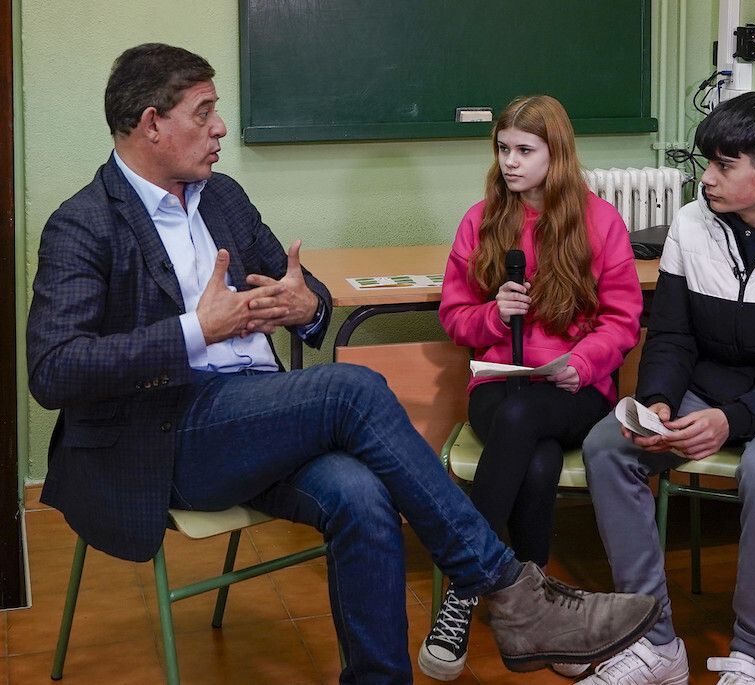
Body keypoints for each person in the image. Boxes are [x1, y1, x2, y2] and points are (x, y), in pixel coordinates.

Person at [26, 43, 661, 685]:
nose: (220, 128)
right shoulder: (83, 225)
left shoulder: (221, 199)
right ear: (152, 123)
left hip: (253, 421)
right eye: (204, 112)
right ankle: (509, 591)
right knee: (351, 392)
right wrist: (197, 329)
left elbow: (309, 300)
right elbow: (53, 370)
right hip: (163, 438)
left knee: (363, 495)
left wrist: (305, 307)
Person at [580, 92, 755, 685]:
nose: (706, 178)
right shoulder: (691, 222)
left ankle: (750, 657)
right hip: (705, 394)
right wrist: (657, 400)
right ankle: (653, 643)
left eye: (722, 165)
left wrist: (732, 420)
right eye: (705, 162)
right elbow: (674, 335)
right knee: (609, 446)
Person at [420, 94, 644, 681]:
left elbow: (622, 320)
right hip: (497, 383)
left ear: (557, 153)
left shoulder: (600, 222)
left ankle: (464, 588)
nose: (510, 162)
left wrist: (584, 359)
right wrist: (494, 315)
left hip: (575, 386)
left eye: (525, 150)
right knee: (535, 458)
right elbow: (454, 317)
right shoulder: (482, 219)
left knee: (529, 426)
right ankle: (539, 615)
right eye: (503, 149)